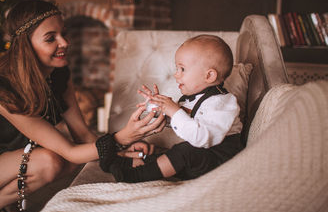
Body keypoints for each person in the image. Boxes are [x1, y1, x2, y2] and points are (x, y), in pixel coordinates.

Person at [0, 0, 165, 212]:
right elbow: (71, 152)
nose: (65, 43)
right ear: (26, 45)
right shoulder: (0, 90)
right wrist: (122, 137)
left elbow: (83, 134)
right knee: (50, 161)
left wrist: (120, 153)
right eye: (50, 38)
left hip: (13, 155)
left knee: (64, 158)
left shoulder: (58, 74)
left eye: (63, 34)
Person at [102, 35, 244, 183]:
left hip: (220, 161)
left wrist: (174, 111)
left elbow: (201, 138)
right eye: (177, 68)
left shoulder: (223, 103)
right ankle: (124, 163)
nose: (176, 75)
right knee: (166, 154)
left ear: (209, 75)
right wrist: (158, 108)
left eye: (182, 69)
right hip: (199, 159)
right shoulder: (194, 98)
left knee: (182, 152)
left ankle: (136, 175)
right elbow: (180, 122)